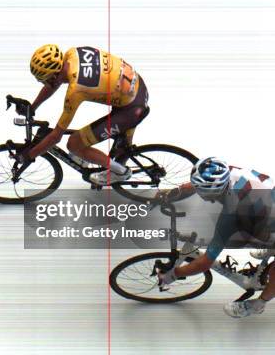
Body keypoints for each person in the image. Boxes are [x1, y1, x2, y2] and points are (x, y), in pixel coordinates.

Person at [157, 157, 275, 318]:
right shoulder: (226, 171)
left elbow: (205, 263)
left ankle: (258, 304)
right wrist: (171, 193)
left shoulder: (235, 210)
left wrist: (173, 274)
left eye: (201, 191)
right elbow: (198, 184)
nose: (198, 192)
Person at [20, 44, 149, 185]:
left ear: (55, 75)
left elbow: (56, 137)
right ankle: (98, 159)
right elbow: (54, 83)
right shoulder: (71, 53)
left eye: (46, 80)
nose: (46, 84)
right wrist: (33, 107)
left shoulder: (76, 90)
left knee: (74, 144)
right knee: (121, 150)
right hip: (137, 87)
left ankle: (120, 172)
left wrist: (30, 155)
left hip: (131, 109)